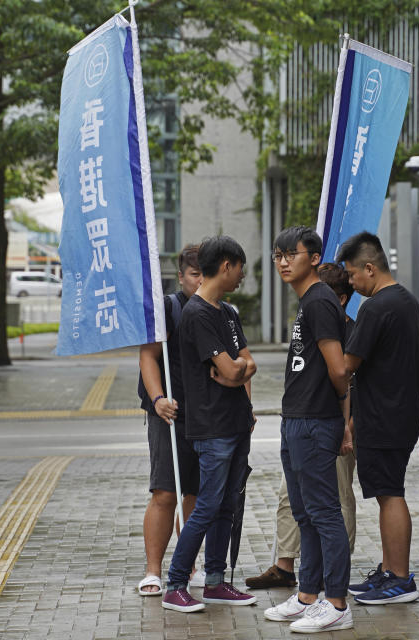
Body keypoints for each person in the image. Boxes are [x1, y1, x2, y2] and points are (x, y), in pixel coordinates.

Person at [262, 227, 353, 633]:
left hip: (315, 421)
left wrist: (334, 408)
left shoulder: (319, 302)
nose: (283, 261)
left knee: (324, 514)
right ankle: (307, 595)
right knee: (305, 513)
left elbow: (339, 369)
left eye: (291, 254)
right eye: (278, 254)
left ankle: (336, 602)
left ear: (313, 258)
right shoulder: (308, 302)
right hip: (296, 419)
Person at [162, 236, 258, 613]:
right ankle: (175, 584)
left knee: (226, 507)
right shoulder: (198, 314)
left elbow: (246, 363)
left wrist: (235, 372)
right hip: (212, 426)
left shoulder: (227, 312)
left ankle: (216, 582)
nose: (241, 275)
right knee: (207, 505)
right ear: (225, 266)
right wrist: (235, 370)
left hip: (236, 422)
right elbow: (233, 366)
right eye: (239, 267)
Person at [246, 261, 357, 591]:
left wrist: (345, 424)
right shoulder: (308, 313)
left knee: (331, 506)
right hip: (299, 422)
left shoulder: (344, 328)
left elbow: (344, 377)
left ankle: (333, 585)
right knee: (299, 506)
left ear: (338, 299)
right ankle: (299, 579)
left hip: (326, 425)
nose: (281, 262)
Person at [337, 232, 419, 605]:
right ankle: (390, 571)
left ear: (370, 268)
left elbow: (346, 365)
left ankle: (400, 579)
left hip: (383, 416)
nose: (352, 284)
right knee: (389, 492)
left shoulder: (374, 308)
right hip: (401, 412)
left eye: (353, 275)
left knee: (390, 495)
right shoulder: (405, 299)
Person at [136, 245, 204, 596]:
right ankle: (153, 571)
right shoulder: (168, 308)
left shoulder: (220, 310)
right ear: (181, 277)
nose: (201, 281)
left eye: (206, 273)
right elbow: (147, 356)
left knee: (193, 493)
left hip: (204, 415)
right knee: (165, 492)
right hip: (168, 412)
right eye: (194, 274)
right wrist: (159, 399)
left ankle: (189, 565)